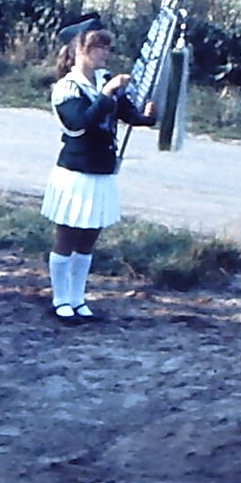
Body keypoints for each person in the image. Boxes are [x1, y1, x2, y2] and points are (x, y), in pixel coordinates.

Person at [42, 19, 155, 322]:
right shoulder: (66, 87)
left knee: (89, 239)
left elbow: (125, 112)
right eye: (97, 47)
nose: (104, 53)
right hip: (75, 172)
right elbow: (80, 122)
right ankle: (60, 298)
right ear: (79, 50)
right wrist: (107, 94)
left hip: (102, 171)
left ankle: (78, 297)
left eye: (106, 47)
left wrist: (145, 117)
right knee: (67, 236)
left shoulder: (104, 78)